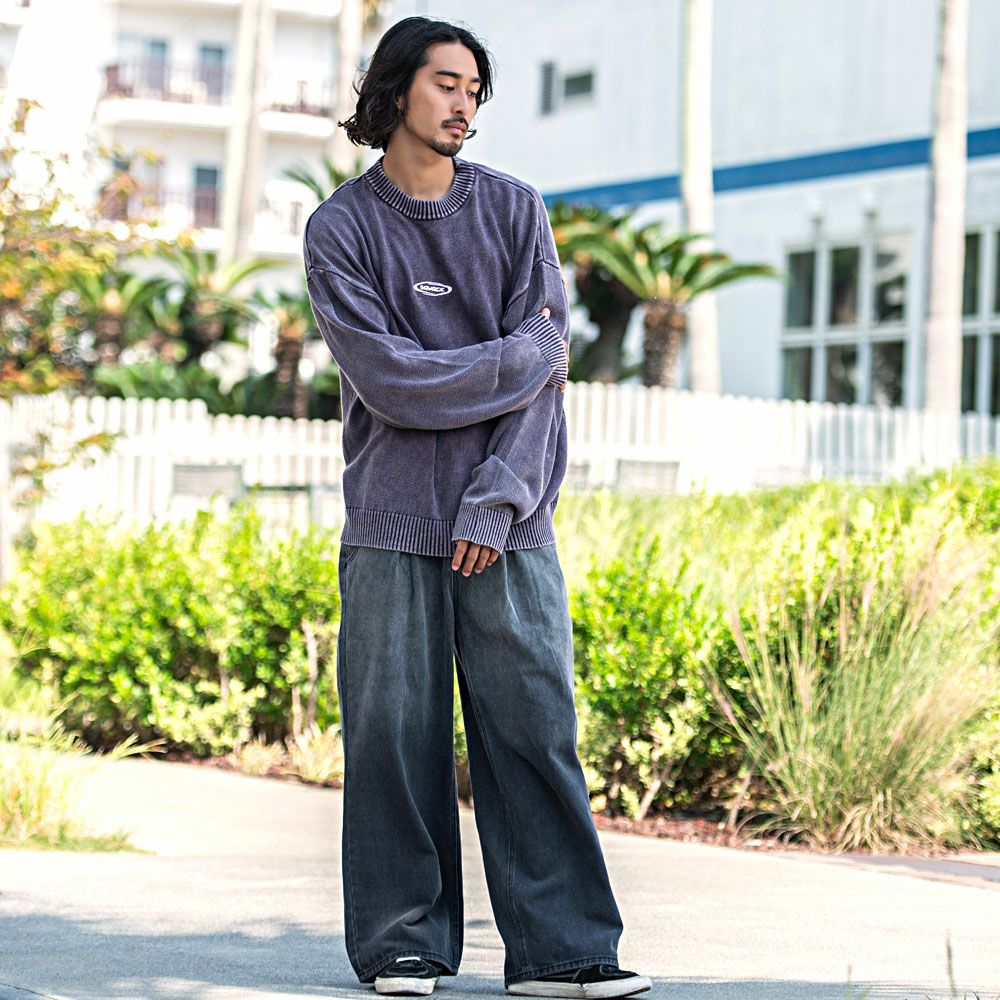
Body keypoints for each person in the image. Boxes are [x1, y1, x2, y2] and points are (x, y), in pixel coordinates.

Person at [303, 15, 651, 1000]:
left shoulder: (514, 211)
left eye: (473, 89)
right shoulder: (340, 229)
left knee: (534, 730)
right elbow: (391, 380)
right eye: (445, 84)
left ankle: (563, 952)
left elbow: (547, 389)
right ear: (394, 91)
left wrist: (496, 500)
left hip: (509, 524)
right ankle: (402, 946)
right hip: (391, 524)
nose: (463, 104)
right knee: (392, 737)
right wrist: (517, 355)